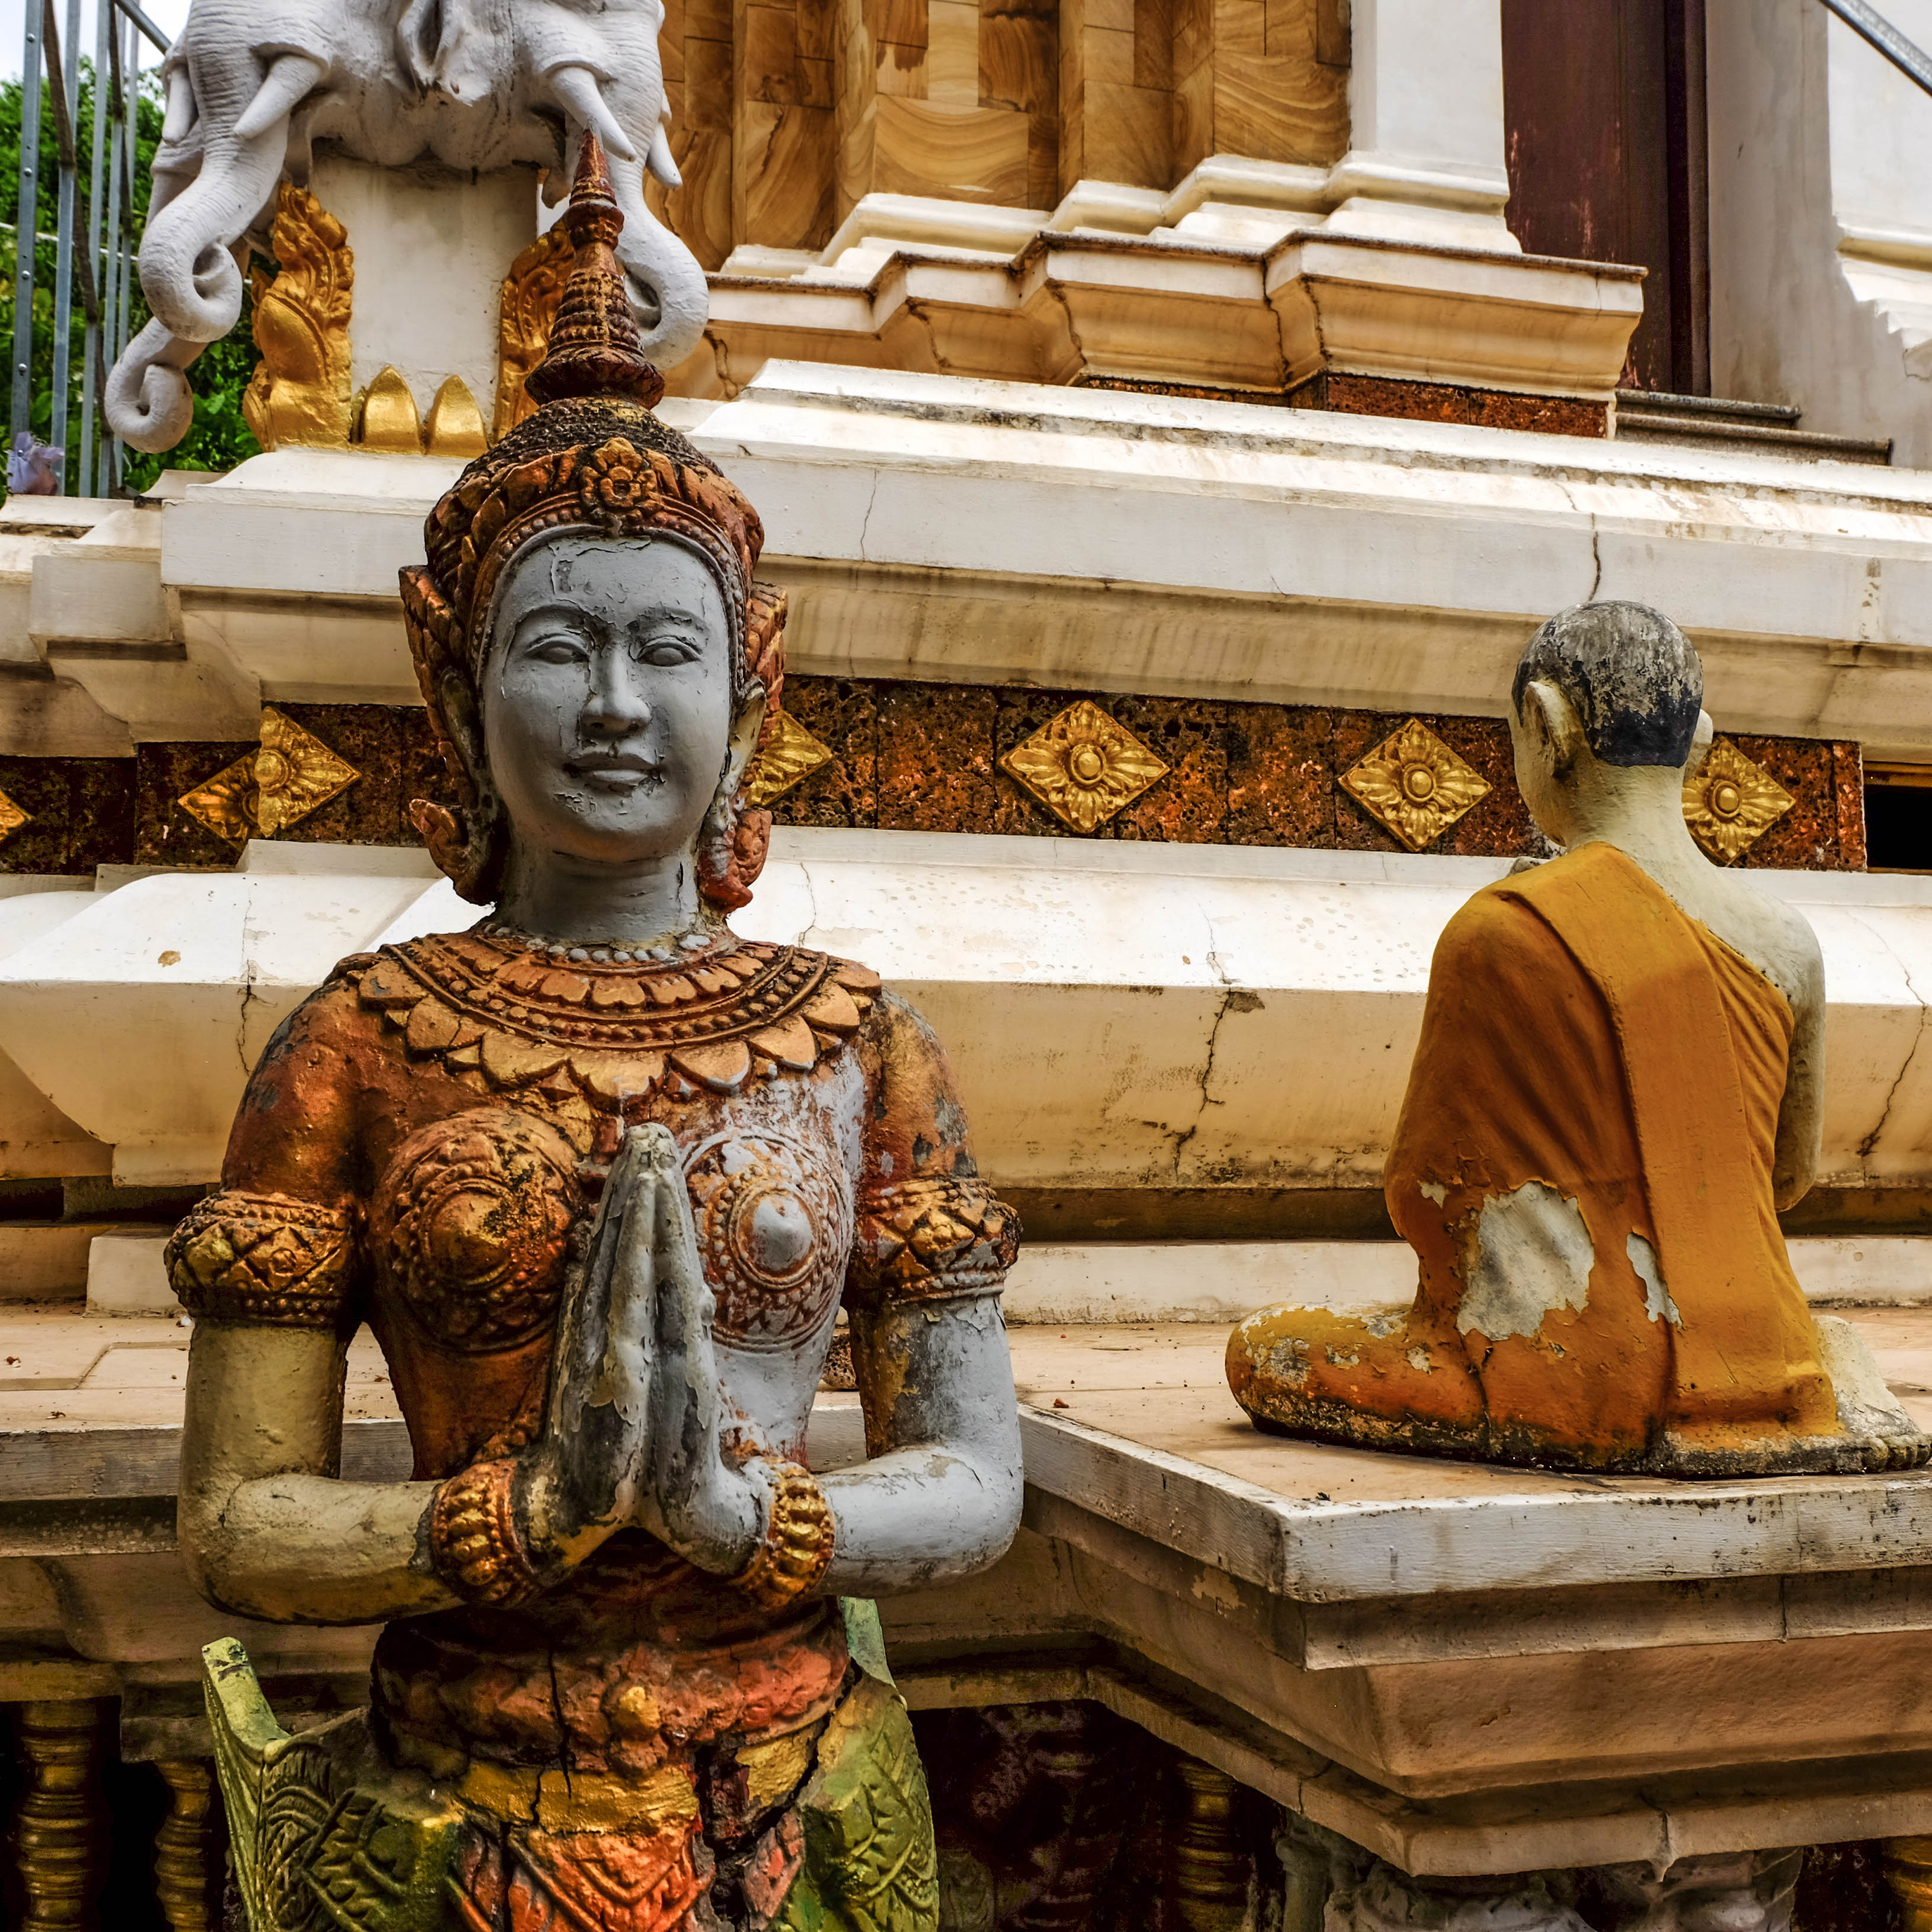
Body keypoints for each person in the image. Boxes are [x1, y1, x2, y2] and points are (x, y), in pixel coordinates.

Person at [170, 136, 1022, 1932]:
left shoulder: (857, 1042)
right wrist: (515, 1517)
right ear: (459, 691)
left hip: (793, 1787)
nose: (618, 705)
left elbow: (973, 1478)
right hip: (459, 1789)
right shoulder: (361, 1042)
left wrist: (752, 1524)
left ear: (752, 683)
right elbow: (240, 1515)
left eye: (667, 650)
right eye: (557, 645)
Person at [1226, 601, 1926, 1476]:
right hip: (1751, 1344)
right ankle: (1805, 1368)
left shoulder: (1502, 931)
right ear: (1701, 743)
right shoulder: (1786, 943)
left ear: (1543, 725)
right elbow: (1786, 1182)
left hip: (1555, 1373)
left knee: (1265, 1353)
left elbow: (1423, 1193)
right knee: (1787, 1330)